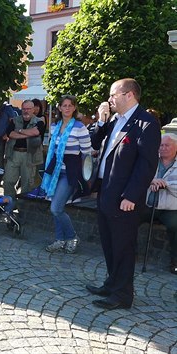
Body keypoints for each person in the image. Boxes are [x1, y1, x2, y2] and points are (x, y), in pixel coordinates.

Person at [86, 78, 161, 310]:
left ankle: (122, 295)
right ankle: (111, 283)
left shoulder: (146, 124)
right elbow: (94, 142)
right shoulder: (115, 120)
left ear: (129, 95)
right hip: (106, 192)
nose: (109, 100)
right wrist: (101, 120)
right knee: (109, 242)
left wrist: (131, 195)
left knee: (123, 246)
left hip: (124, 198)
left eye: (113, 95)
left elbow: (146, 165)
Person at [34, 95, 92, 254]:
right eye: (64, 105)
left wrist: (85, 175)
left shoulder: (79, 127)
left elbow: (87, 153)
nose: (67, 108)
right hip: (55, 172)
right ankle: (60, 239)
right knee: (57, 208)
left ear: (74, 108)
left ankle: (72, 237)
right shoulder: (54, 126)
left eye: (70, 105)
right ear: (59, 108)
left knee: (56, 208)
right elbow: (52, 149)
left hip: (70, 173)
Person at [140, 133, 177, 275]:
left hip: (170, 209)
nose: (163, 148)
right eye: (161, 145)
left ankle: (175, 261)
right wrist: (151, 180)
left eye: (167, 145)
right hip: (149, 205)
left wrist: (166, 184)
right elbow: (140, 175)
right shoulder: (151, 160)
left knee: (175, 226)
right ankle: (130, 252)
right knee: (129, 219)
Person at [3, 100, 45, 198]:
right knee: (8, 181)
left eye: (29, 109)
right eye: (24, 109)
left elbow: (35, 132)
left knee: (27, 184)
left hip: (30, 156)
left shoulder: (39, 122)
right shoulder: (14, 120)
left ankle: (24, 208)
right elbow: (10, 134)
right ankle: (10, 204)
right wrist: (26, 134)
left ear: (33, 109)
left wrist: (19, 131)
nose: (26, 111)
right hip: (14, 154)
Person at [0, 101, 17, 174]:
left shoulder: (7, 108)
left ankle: (0, 178)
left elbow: (13, 122)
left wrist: (7, 134)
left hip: (2, 137)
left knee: (1, 160)